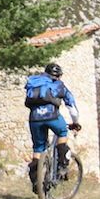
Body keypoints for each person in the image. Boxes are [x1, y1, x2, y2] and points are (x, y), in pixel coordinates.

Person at [25, 62, 81, 192]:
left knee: (38, 148)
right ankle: (62, 164)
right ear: (59, 76)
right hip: (52, 116)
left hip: (35, 118)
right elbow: (71, 106)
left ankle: (36, 180)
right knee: (62, 133)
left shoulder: (35, 82)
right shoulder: (60, 84)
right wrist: (76, 122)